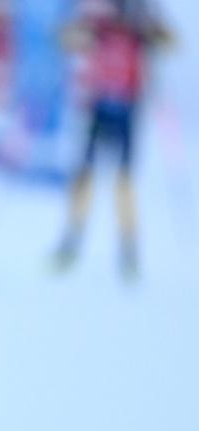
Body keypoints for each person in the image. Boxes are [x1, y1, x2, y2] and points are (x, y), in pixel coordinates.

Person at [53, 0, 173, 279]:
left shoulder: (140, 24)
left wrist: (150, 29)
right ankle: (72, 239)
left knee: (123, 179)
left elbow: (169, 41)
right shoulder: (99, 22)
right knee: (84, 173)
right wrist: (88, 29)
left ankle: (128, 248)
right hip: (99, 104)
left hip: (127, 107)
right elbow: (66, 39)